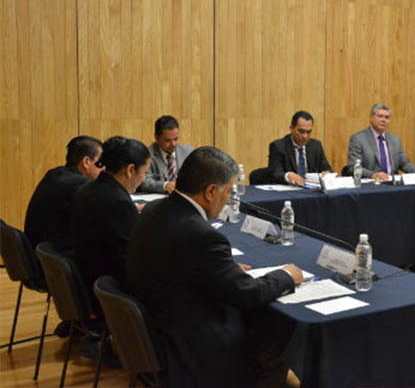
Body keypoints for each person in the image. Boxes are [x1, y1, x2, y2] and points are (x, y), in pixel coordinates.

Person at [127, 146, 303, 388]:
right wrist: (286, 276)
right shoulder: (200, 234)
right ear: (210, 191)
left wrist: (222, 270)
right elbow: (248, 294)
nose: (229, 199)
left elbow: (184, 263)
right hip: (190, 342)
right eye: (228, 191)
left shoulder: (154, 209)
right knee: (275, 331)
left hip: (157, 327)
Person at [71, 136, 150, 314]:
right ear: (130, 170)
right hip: (111, 294)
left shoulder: (87, 189)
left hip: (88, 284)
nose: (144, 178)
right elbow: (131, 263)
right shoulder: (119, 203)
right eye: (144, 172)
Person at [24, 135, 103, 251]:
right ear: (86, 162)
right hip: (54, 255)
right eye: (101, 163)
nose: (104, 168)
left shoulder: (54, 174)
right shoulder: (78, 184)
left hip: (40, 251)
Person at [348, 103, 415, 180]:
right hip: (371, 182)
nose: (383, 120)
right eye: (380, 116)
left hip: (392, 183)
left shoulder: (395, 140)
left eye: (387, 117)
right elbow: (353, 167)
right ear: (371, 118)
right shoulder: (358, 139)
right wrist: (372, 175)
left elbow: (404, 164)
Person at [267, 111, 332, 185]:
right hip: (289, 189)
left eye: (308, 132)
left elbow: (327, 168)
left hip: (311, 189)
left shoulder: (316, 146)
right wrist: (288, 175)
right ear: (291, 128)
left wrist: (327, 174)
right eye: (301, 131)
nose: (305, 136)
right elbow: (275, 173)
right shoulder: (278, 146)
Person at [139, 115, 193, 193]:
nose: (173, 144)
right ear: (156, 137)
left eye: (176, 139)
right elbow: (143, 181)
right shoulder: (146, 155)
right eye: (168, 140)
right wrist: (164, 186)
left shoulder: (188, 151)